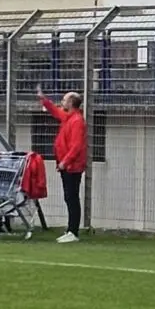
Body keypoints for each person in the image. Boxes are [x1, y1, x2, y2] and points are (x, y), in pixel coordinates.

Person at [39, 90, 89, 243]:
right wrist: (44, 101)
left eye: (64, 100)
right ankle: (70, 230)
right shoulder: (69, 118)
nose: (62, 102)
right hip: (67, 166)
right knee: (69, 197)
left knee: (72, 197)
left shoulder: (76, 121)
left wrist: (65, 162)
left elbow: (76, 146)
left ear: (71, 103)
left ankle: (73, 231)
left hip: (72, 167)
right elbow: (56, 112)